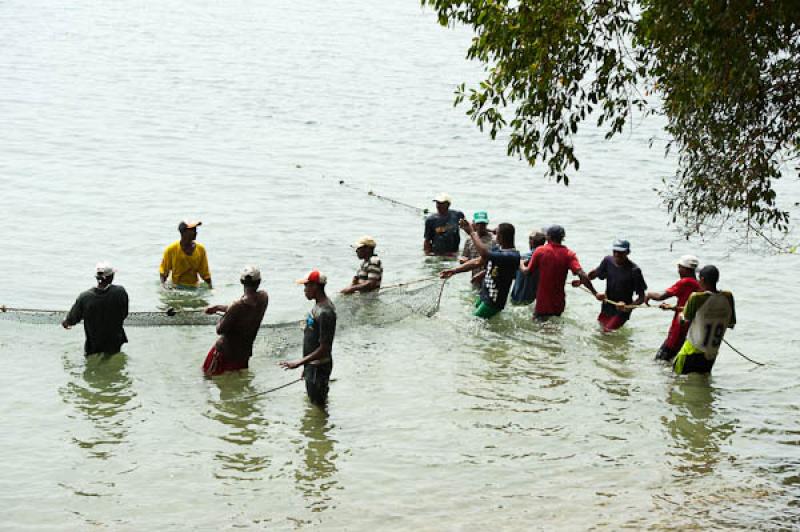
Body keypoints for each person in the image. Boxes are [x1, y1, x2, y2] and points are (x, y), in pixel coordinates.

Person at [441, 220, 520, 319]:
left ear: (501, 237)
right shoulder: (498, 249)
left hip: (494, 301)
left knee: (473, 321)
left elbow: (484, 253)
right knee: (473, 316)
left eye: (497, 234)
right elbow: (477, 261)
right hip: (485, 293)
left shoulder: (511, 255)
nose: (494, 236)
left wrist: (472, 232)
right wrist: (454, 271)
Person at [280, 270, 337, 406]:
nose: (304, 290)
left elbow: (325, 348)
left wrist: (299, 362)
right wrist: (306, 367)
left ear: (315, 286)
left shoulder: (325, 312)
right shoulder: (318, 306)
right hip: (312, 366)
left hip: (318, 367)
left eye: (306, 286)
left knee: (318, 406)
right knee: (315, 403)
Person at [201, 266, 268, 376]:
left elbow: (219, 330)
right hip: (243, 354)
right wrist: (218, 308)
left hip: (224, 353)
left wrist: (224, 316)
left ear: (241, 281)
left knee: (207, 377)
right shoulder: (264, 297)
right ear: (259, 282)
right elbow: (242, 309)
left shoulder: (236, 306)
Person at [522, 224, 598, 319]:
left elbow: (527, 272)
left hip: (542, 303)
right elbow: (582, 274)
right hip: (559, 303)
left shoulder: (540, 251)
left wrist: (520, 263)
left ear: (548, 237)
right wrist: (595, 293)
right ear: (562, 238)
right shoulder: (569, 254)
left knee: (538, 326)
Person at [673, 265, 736, 375]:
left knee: (674, 382)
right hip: (711, 354)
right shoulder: (728, 297)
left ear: (702, 280)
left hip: (690, 351)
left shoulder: (696, 297)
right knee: (702, 381)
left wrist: (680, 314)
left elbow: (684, 320)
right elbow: (730, 324)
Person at [62, 262, 129, 355]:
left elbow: (73, 318)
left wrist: (66, 322)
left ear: (97, 278)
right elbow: (124, 313)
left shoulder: (85, 297)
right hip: (115, 340)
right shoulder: (120, 292)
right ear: (111, 277)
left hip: (93, 344)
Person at [581, 239, 647, 332]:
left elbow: (642, 297)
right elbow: (595, 274)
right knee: (600, 330)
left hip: (622, 310)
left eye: (620, 252)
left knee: (607, 332)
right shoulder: (607, 261)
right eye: (615, 251)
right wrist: (583, 281)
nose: (616, 254)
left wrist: (628, 307)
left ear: (627, 252)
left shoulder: (635, 271)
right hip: (607, 305)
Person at [645, 255, 701, 361]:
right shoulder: (698, 284)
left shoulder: (685, 282)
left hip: (680, 327)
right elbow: (688, 306)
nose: (678, 270)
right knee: (676, 358)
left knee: (660, 359)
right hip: (691, 328)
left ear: (685, 269)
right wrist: (672, 307)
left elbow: (660, 296)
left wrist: (649, 295)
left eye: (680, 267)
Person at [159, 220, 212, 288]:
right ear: (183, 232)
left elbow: (205, 273)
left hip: (194, 287)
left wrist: (210, 287)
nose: (195, 232)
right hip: (176, 287)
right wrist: (163, 286)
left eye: (195, 230)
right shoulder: (171, 250)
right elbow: (164, 271)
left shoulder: (201, 250)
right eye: (192, 230)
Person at [459, 211, 495, 288]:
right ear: (474, 224)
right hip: (475, 277)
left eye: (483, 224)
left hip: (489, 278)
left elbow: (496, 263)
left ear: (487, 223)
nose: (481, 226)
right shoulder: (469, 239)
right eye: (478, 224)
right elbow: (464, 256)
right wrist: (463, 260)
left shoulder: (494, 240)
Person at [511, 229, 546, 305]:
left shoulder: (523, 258)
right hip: (534, 297)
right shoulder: (546, 257)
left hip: (519, 296)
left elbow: (512, 274)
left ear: (531, 242)